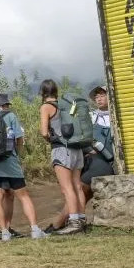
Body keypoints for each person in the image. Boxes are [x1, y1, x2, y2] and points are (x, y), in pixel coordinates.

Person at [0, 87, 46, 240]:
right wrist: (16, 155)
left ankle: (4, 233)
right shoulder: (9, 116)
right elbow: (19, 139)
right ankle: (35, 229)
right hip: (10, 161)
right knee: (23, 196)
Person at [39, 80, 87, 235]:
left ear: (42, 92)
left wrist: (51, 140)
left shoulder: (46, 107)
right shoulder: (66, 105)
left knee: (67, 188)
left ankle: (74, 222)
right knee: (77, 186)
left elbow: (44, 132)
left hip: (61, 149)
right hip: (77, 149)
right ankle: (81, 219)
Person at [76, 85, 114, 223]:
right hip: (94, 159)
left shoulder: (118, 117)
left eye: (102, 95)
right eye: (96, 97)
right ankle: (75, 219)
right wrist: (87, 150)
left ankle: (74, 220)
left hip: (112, 161)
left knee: (82, 189)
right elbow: (81, 138)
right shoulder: (91, 117)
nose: (98, 99)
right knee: (80, 188)